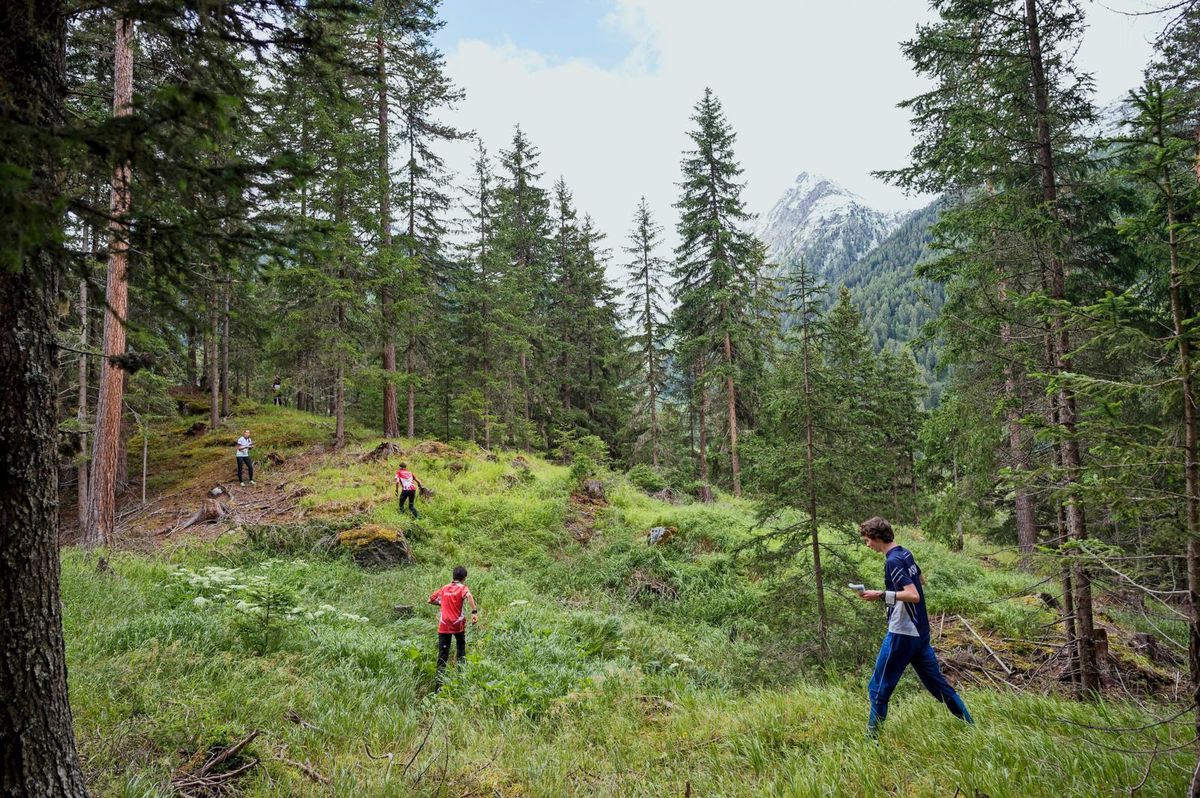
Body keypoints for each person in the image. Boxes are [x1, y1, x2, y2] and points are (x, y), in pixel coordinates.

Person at [858, 516, 972, 736]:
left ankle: (871, 741)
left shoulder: (892, 561)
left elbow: (913, 595)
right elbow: (920, 579)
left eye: (867, 540)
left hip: (902, 633)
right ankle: (971, 726)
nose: (867, 545)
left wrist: (881, 595)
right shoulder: (905, 552)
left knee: (878, 689)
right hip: (920, 633)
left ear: (876, 537)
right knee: (938, 685)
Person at [428, 565, 478, 685]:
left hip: (444, 626)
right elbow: (469, 596)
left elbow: (430, 600)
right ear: (464, 578)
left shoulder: (444, 588)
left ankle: (438, 686)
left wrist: (443, 604)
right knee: (461, 649)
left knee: (442, 655)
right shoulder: (463, 588)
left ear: (453, 576)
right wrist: (474, 612)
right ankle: (461, 678)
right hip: (457, 625)